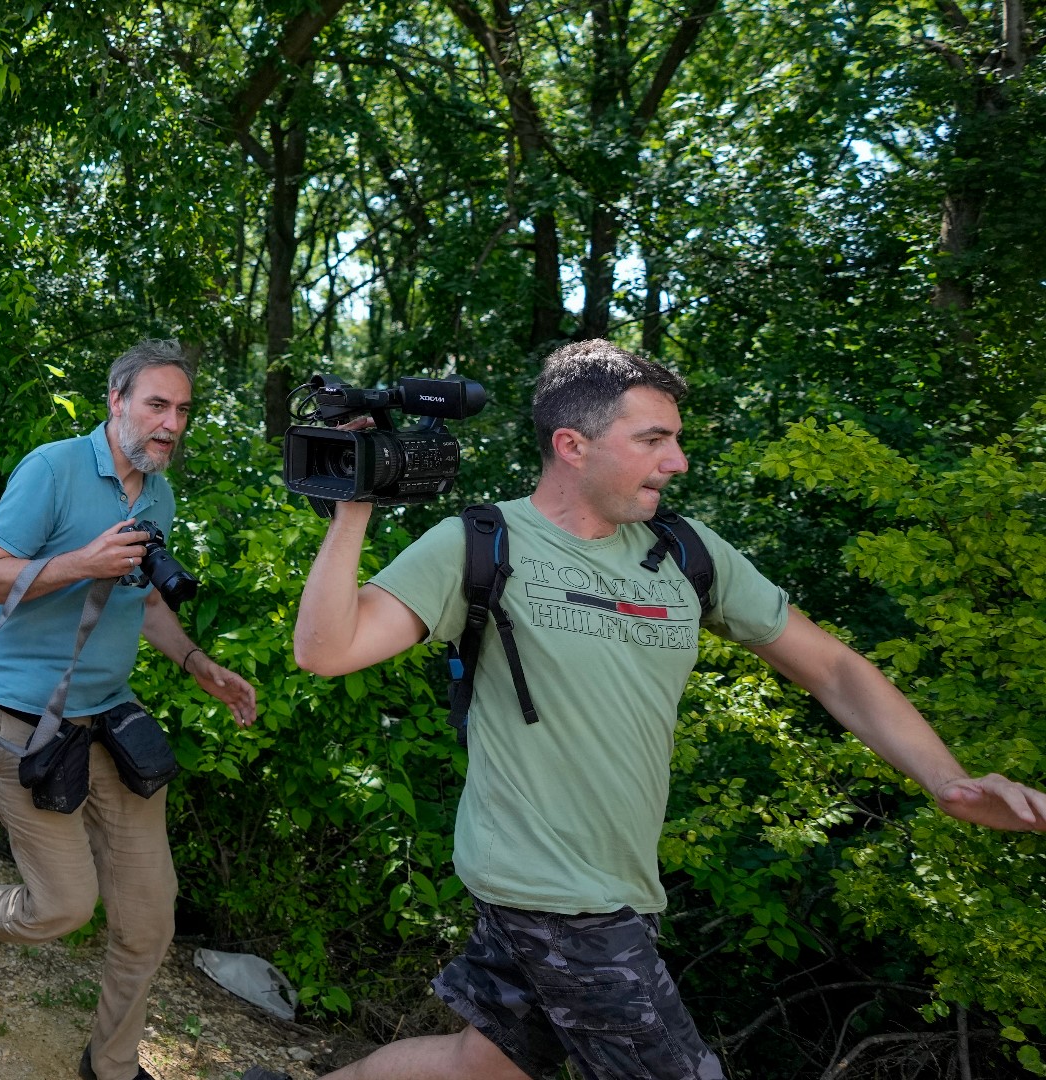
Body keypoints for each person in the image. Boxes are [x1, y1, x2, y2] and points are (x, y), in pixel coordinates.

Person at [288, 339, 1046, 1080]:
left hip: (625, 885)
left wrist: (946, 781)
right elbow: (327, 649)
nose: (676, 460)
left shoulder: (686, 553)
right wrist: (353, 510)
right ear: (572, 445)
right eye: (653, 439)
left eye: (675, 439)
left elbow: (835, 669)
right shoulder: (482, 543)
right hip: (552, 893)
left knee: (478, 1063)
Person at [0, 340, 259, 1080]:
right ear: (116, 400)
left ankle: (111, 1066)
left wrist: (199, 664)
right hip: (22, 726)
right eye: (156, 404)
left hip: (108, 721)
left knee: (149, 916)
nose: (171, 422)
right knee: (63, 908)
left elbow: (139, 605)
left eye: (182, 409)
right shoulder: (53, 470)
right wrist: (83, 561)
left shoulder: (158, 495)